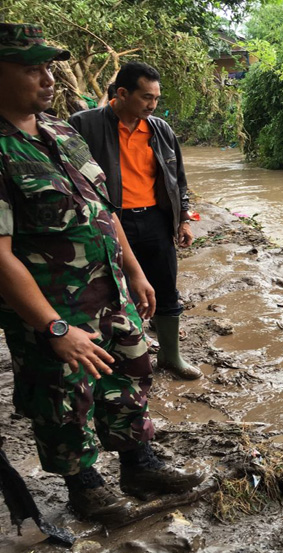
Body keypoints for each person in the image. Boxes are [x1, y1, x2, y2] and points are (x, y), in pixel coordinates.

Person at [0, 22, 204, 526]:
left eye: (49, 67)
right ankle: (85, 489)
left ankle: (139, 465)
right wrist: (53, 326)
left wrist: (135, 273)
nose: (48, 79)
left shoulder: (61, 131)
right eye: (32, 69)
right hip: (53, 308)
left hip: (110, 290)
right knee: (65, 397)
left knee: (134, 369)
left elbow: (104, 210)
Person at [69, 61, 200, 380]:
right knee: (109, 292)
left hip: (155, 220)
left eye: (156, 98)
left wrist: (183, 218)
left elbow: (177, 178)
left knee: (165, 289)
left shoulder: (160, 129)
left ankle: (170, 357)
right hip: (107, 223)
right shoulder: (83, 125)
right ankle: (116, 362)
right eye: (146, 98)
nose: (152, 105)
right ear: (122, 93)